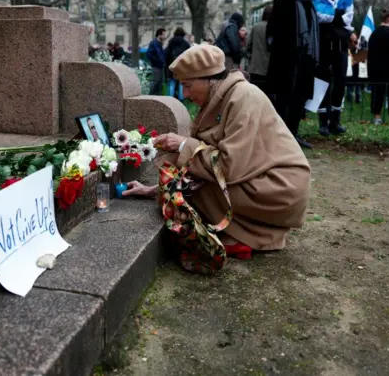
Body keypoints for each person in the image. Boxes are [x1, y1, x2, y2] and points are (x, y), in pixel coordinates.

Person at [122, 45, 311, 258]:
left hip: (278, 187)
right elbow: (206, 154)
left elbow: (228, 168)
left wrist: (184, 145)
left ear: (209, 79)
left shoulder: (243, 97)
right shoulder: (220, 99)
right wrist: (153, 189)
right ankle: (244, 235)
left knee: (191, 189)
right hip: (260, 180)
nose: (185, 94)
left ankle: (243, 237)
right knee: (182, 179)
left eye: (188, 85)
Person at [267, 0, 319, 149]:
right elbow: (271, 32)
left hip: (305, 60)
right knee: (283, 99)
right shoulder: (283, 0)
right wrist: (282, 51)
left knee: (299, 99)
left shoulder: (310, 3)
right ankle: (280, 137)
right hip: (286, 60)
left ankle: (293, 134)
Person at [312, 0, 354, 136]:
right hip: (323, 43)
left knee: (340, 81)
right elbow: (318, 14)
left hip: (341, 44)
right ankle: (323, 121)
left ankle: (335, 120)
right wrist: (337, 15)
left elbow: (349, 17)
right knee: (322, 81)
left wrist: (333, 16)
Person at [246, 5, 272, 94]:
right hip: (269, 70)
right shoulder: (276, 28)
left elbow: (248, 46)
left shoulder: (256, 27)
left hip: (255, 68)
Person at [165, 27, 191, 100]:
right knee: (181, 83)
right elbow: (189, 55)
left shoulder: (171, 42)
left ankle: (170, 98)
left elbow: (166, 54)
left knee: (172, 82)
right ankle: (181, 99)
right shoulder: (185, 43)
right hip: (182, 66)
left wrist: (167, 65)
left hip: (172, 65)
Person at [146, 28, 167, 95]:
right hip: (156, 66)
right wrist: (157, 61)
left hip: (160, 66)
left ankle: (158, 98)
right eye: (163, 35)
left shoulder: (159, 43)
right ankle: (150, 97)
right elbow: (149, 54)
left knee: (159, 83)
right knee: (156, 82)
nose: (164, 36)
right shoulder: (154, 43)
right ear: (159, 35)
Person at [346, 32, 362, 104]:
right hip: (350, 66)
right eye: (352, 35)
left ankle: (358, 98)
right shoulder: (348, 44)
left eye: (354, 35)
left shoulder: (359, 44)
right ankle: (349, 98)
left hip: (357, 67)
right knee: (350, 82)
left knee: (358, 83)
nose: (353, 36)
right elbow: (348, 52)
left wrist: (359, 46)